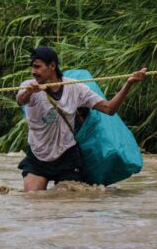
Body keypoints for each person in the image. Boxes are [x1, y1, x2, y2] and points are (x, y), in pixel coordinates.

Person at [15, 47, 147, 191]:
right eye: (32, 67)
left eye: (37, 67)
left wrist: (129, 83)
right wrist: (29, 91)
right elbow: (21, 100)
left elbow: (109, 109)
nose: (33, 72)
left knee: (71, 204)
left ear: (52, 66)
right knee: (33, 200)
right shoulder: (28, 87)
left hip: (67, 156)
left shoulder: (74, 87)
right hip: (37, 156)